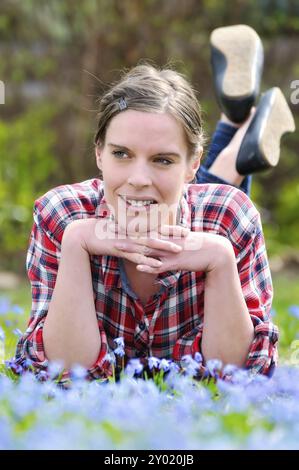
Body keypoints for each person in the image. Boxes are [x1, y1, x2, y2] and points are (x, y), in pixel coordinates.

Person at [12, 25, 294, 384]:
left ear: (193, 165)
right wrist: (75, 244)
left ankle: (234, 135)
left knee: (208, 210)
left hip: (204, 206)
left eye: (163, 160)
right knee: (176, 198)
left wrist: (221, 259)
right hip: (187, 200)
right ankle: (238, 137)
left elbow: (236, 380)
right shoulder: (61, 215)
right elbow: (66, 373)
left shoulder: (230, 219)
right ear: (98, 153)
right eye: (121, 154)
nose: (139, 177)